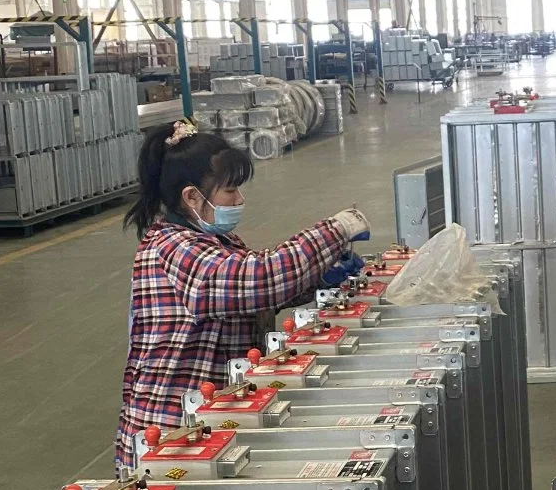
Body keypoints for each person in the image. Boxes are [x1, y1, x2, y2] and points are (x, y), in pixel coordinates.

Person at [116, 120, 369, 469]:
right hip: (171, 435)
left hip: (210, 417)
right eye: (230, 190)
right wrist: (335, 231)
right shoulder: (173, 248)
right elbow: (258, 279)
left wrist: (319, 278)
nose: (240, 199)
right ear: (192, 197)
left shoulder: (214, 241)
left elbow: (249, 298)